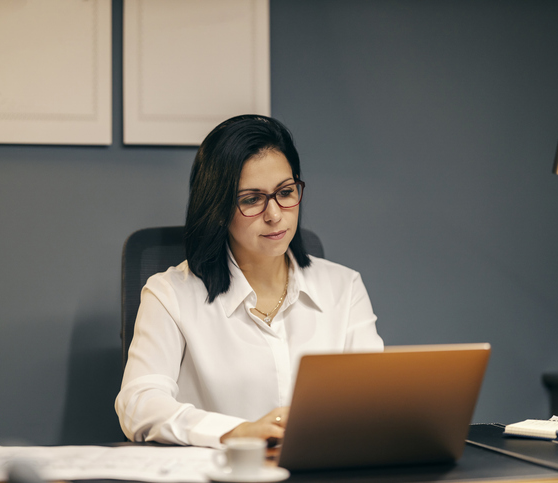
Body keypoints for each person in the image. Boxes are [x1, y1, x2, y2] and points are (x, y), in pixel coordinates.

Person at [115, 115, 383, 448]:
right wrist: (235, 432)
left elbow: (373, 399)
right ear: (218, 208)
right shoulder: (170, 294)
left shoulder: (344, 287)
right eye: (251, 200)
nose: (274, 214)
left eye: (285, 192)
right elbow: (139, 404)